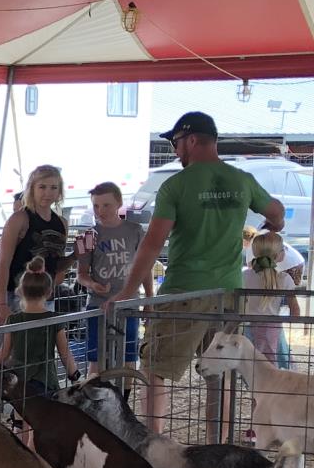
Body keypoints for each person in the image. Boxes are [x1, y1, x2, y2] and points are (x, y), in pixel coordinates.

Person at [109, 111, 285, 432]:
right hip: (229, 294)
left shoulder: (175, 185)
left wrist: (126, 292)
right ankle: (217, 443)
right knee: (221, 374)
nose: (176, 152)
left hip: (183, 292)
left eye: (176, 144)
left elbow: (152, 244)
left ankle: (154, 444)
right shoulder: (241, 180)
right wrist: (272, 225)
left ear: (191, 140)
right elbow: (278, 213)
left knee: (156, 369)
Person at [75, 182, 151, 374]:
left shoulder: (135, 231)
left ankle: (123, 399)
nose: (100, 211)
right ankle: (96, 399)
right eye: (96, 206)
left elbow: (145, 267)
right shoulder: (87, 236)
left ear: (119, 203)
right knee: (96, 357)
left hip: (129, 303)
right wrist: (92, 283)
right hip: (98, 304)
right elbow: (81, 274)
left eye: (106, 205)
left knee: (128, 356)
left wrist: (149, 298)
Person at [0, 165, 69, 326]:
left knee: (41, 349)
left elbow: (58, 266)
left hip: (46, 297)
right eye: (42, 187)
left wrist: (76, 256)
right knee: (11, 349)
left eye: (53, 187)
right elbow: (3, 264)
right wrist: (0, 304)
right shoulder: (19, 219)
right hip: (16, 298)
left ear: (59, 192)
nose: (48, 193)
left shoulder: (61, 223)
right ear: (32, 189)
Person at [0, 257, 78, 391]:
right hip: (46, 382)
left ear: (20, 291)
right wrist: (74, 376)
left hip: (19, 384)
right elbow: (64, 353)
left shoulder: (13, 320)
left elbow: (3, 352)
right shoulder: (55, 320)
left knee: (21, 411)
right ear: (49, 292)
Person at [242, 230, 300, 365]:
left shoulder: (244, 276)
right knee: (273, 364)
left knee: (251, 363)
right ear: (279, 255)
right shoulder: (285, 279)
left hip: (248, 326)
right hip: (273, 328)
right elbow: (295, 311)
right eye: (283, 249)